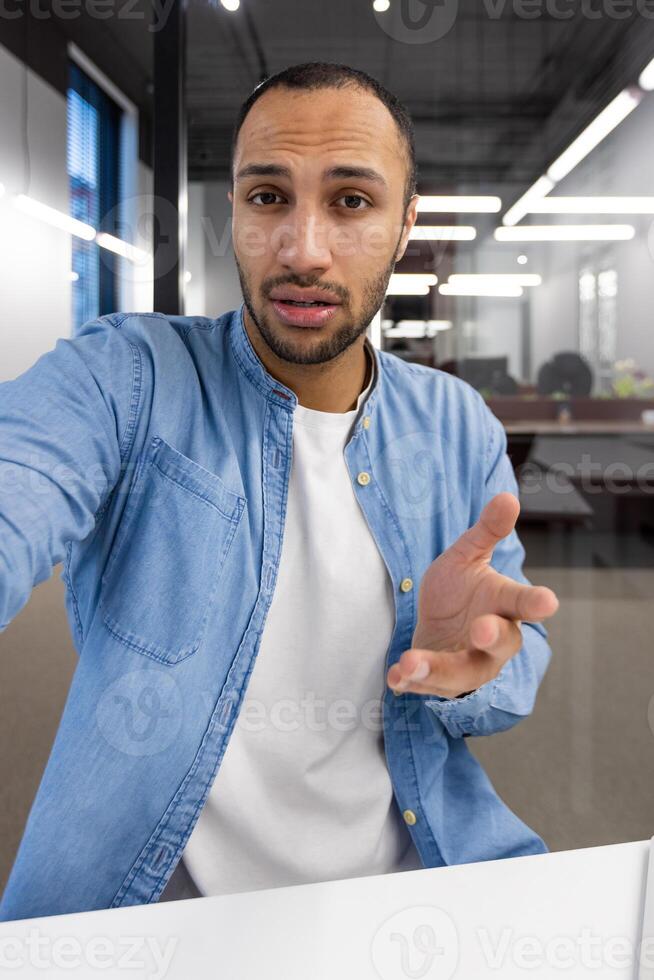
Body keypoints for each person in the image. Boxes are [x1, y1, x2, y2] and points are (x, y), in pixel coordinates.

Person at [0, 62, 558, 921]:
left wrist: (468, 669)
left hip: (407, 901)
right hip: (155, 918)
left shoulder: (457, 426)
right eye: (268, 197)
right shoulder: (129, 377)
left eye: (351, 202)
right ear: (234, 209)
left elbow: (509, 684)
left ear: (406, 224)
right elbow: (18, 482)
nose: (303, 250)